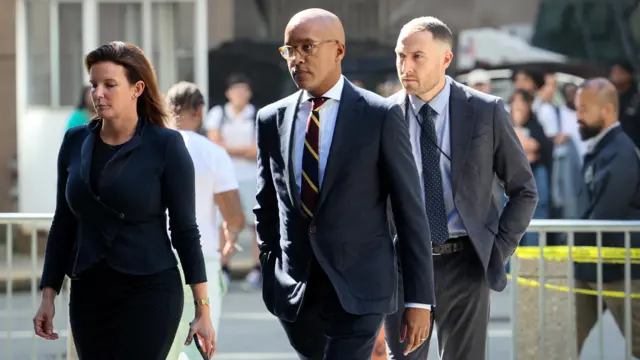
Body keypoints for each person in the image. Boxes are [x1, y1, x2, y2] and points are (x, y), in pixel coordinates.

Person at [255, 8, 435, 360]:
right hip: (296, 291)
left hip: (362, 289)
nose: (296, 59)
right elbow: (267, 205)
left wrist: (419, 300)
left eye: (307, 47)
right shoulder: (271, 119)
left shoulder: (379, 115)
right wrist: (270, 265)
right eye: (289, 49)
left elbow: (410, 213)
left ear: (339, 50)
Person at [32, 41, 215, 359]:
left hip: (150, 288)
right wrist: (48, 294)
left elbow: (185, 229)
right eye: (94, 85)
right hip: (89, 290)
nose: (98, 93)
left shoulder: (167, 145)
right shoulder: (75, 142)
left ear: (137, 88)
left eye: (110, 85)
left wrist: (202, 308)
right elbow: (64, 222)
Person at [385, 17, 538, 360]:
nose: (405, 67)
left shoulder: (485, 111)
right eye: (400, 56)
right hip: (403, 265)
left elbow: (523, 189)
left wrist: (496, 250)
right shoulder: (384, 115)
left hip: (465, 263)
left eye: (417, 57)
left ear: (446, 59)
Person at [165, 81, 245, 360]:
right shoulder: (212, 153)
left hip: (153, 260)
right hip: (202, 260)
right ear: (199, 111)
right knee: (199, 348)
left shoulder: (150, 148)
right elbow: (233, 213)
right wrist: (231, 234)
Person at [573, 77, 640, 357]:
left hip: (620, 268)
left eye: (584, 109)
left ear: (608, 110)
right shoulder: (604, 149)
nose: (578, 117)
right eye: (577, 108)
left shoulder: (621, 153)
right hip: (592, 263)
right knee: (561, 338)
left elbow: (606, 212)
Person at [203, 73, 261, 290]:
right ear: (228, 94)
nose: (239, 94)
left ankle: (257, 269)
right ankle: (223, 267)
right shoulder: (218, 114)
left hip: (252, 178)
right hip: (225, 178)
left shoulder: (256, 114)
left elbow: (257, 150)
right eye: (235, 90)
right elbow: (214, 144)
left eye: (243, 90)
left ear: (249, 93)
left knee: (256, 225)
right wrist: (241, 151)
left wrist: (228, 149)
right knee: (223, 224)